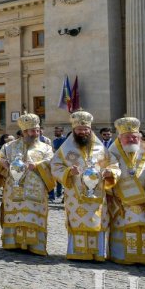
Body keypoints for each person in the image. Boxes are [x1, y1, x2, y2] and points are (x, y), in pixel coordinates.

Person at [51, 111, 117, 262]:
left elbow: (113, 164)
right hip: (75, 195)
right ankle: (77, 252)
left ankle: (97, 253)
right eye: (79, 129)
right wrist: (68, 171)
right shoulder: (65, 149)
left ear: (90, 129)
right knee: (77, 220)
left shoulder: (101, 149)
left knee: (97, 220)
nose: (83, 132)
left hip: (97, 194)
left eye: (86, 129)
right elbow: (55, 166)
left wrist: (110, 172)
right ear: (74, 130)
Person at [0, 114, 56, 255]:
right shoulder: (9, 146)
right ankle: (13, 243)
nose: (36, 133)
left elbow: (51, 161)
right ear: (24, 132)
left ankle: (34, 246)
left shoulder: (46, 147)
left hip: (36, 189)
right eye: (33, 131)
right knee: (15, 214)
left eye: (38, 130)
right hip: (13, 188)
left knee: (32, 215)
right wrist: (3, 163)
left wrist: (37, 165)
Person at [106, 117, 145, 266]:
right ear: (120, 138)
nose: (131, 139)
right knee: (124, 226)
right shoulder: (111, 152)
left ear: (140, 137)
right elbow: (107, 169)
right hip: (122, 201)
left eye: (134, 137)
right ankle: (122, 255)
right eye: (127, 137)